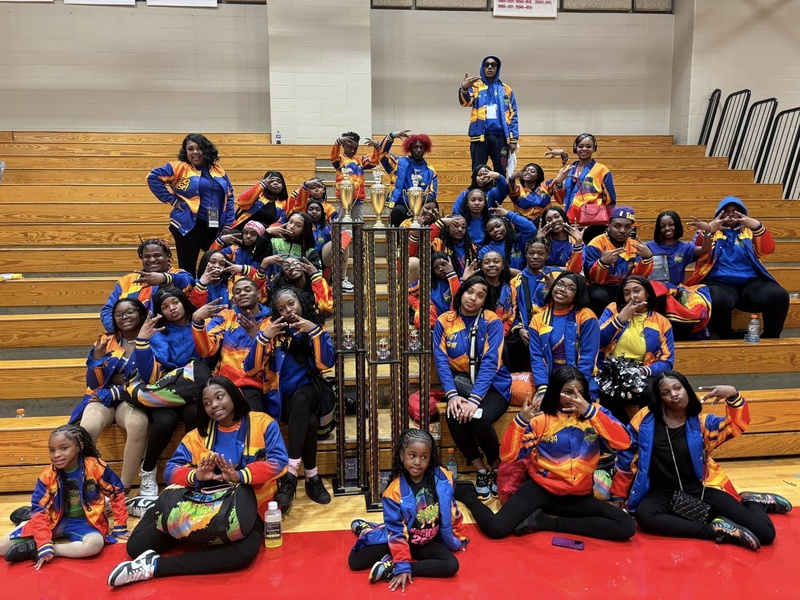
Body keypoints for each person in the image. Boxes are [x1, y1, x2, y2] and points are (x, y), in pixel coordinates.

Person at [107, 376, 288, 586]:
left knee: (243, 554)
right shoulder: (197, 436)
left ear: (235, 395)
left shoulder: (263, 423)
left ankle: (154, 567)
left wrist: (240, 475)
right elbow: (171, 471)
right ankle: (152, 506)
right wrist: (196, 476)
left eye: (220, 397)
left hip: (247, 507)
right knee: (136, 546)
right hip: (201, 504)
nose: (214, 405)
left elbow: (280, 462)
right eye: (207, 402)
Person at [611, 371, 792, 551]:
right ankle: (714, 530)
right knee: (645, 516)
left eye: (677, 388)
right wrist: (619, 493)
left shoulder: (702, 423)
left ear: (686, 389)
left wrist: (733, 396)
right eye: (665, 393)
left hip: (700, 488)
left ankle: (751, 503)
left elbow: (736, 425)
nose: (673, 394)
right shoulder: (645, 419)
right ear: (660, 398)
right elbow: (627, 454)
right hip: (662, 492)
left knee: (766, 535)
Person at [454, 367, 635, 541]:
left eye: (580, 392)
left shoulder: (595, 415)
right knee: (496, 528)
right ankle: (467, 494)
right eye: (568, 392)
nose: (575, 398)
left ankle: (544, 522)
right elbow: (508, 456)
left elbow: (624, 442)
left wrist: (589, 411)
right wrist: (520, 422)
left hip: (579, 495)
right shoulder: (541, 420)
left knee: (626, 526)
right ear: (555, 392)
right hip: (542, 491)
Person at [244, 286, 336, 509]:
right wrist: (263, 337)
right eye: (281, 308)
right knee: (308, 420)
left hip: (312, 392)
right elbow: (251, 369)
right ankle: (312, 477)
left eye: (291, 304)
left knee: (303, 399)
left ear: (301, 302)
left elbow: (326, 363)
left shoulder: (316, 326)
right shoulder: (272, 331)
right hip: (281, 398)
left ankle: (291, 473)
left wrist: (313, 330)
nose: (288, 310)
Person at [348, 429, 467, 591]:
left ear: (430, 458)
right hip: (404, 537)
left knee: (451, 565)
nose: (418, 462)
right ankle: (369, 529)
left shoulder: (443, 477)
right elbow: (396, 531)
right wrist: (402, 563)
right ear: (402, 455)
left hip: (426, 542)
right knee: (355, 561)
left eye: (423, 457)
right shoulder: (393, 492)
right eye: (412, 455)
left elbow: (452, 509)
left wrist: (459, 534)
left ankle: (390, 569)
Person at [1, 424, 129, 567]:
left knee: (94, 544)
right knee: (3, 548)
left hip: (85, 522)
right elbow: (40, 509)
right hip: (55, 520)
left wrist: (120, 525)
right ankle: (27, 522)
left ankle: (42, 549)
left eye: (63, 448)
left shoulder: (96, 467)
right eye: (52, 450)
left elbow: (116, 492)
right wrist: (43, 540)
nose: (56, 454)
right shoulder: (47, 476)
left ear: (79, 446)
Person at [434, 276, 511, 500]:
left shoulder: (492, 320)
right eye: (470, 292)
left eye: (480, 295)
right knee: (453, 414)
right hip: (461, 385)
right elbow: (441, 360)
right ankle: (480, 469)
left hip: (494, 385)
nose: (473, 298)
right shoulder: (444, 321)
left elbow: (490, 361)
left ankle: (496, 465)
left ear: (485, 300)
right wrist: (452, 396)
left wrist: (475, 399)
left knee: (479, 418)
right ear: (462, 292)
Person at [129, 286, 203, 498]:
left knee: (193, 414)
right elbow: (150, 375)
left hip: (195, 389)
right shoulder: (158, 333)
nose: (172, 309)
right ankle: (148, 469)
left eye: (175, 303)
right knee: (165, 421)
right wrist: (142, 341)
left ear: (183, 301)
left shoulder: (201, 325)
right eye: (165, 306)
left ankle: (191, 468)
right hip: (166, 390)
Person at [71, 298, 149, 495]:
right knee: (86, 429)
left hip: (131, 398)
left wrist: (121, 389)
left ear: (140, 313)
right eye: (119, 314)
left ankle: (123, 488)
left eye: (130, 312)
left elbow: (151, 377)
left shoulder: (152, 339)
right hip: (102, 397)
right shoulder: (107, 341)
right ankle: (88, 483)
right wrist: (96, 359)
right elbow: (93, 383)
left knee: (138, 424)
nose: (124, 317)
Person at [685, 196, 790, 339]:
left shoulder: (749, 232)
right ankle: (726, 337)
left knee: (779, 295)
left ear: (742, 214)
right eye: (726, 211)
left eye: (735, 211)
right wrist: (708, 231)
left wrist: (757, 226)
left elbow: (767, 249)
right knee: (717, 299)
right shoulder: (709, 231)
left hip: (750, 284)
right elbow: (695, 253)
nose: (730, 214)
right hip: (719, 282)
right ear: (719, 214)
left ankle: (770, 338)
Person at [147, 134, 235, 277]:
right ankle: (189, 298)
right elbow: (152, 177)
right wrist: (173, 200)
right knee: (187, 269)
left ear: (206, 150)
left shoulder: (218, 169)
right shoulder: (179, 167)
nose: (195, 152)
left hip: (214, 226)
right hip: (188, 226)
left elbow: (229, 197)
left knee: (220, 266)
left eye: (199, 148)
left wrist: (227, 225)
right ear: (185, 152)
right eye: (190, 149)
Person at [597, 276, 674, 424]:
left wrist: (643, 371)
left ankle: (643, 429)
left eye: (637, 291)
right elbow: (597, 341)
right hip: (609, 370)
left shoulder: (662, 322)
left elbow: (667, 362)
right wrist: (620, 319)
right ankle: (625, 432)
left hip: (642, 371)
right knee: (602, 392)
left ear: (648, 293)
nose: (632, 296)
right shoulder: (613, 309)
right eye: (626, 293)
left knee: (654, 390)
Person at [192, 277, 271, 412]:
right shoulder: (225, 316)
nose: (242, 293)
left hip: (255, 384)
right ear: (233, 299)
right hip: (225, 383)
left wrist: (257, 336)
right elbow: (207, 351)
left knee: (253, 422)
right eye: (238, 292)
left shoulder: (270, 320)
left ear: (258, 294)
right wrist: (198, 322)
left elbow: (274, 356)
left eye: (247, 290)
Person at [645, 211, 715, 340]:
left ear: (677, 225)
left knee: (701, 299)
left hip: (676, 291)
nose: (667, 228)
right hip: (655, 293)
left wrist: (707, 232)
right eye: (662, 226)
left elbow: (705, 250)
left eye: (671, 224)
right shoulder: (648, 246)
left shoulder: (685, 248)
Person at [528, 272, 600, 397]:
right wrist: (543, 389)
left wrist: (575, 388)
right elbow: (537, 358)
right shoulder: (538, 319)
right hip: (549, 382)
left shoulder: (585, 316)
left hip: (580, 383)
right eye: (560, 284)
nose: (562, 289)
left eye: (571, 288)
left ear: (578, 295)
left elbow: (588, 357)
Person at [100, 238, 193, 333]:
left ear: (167, 256)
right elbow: (108, 310)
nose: (152, 260)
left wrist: (163, 278)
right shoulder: (127, 280)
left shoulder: (179, 275)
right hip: (133, 337)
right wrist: (120, 331)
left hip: (169, 336)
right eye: (147, 256)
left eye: (157, 255)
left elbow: (188, 282)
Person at [584, 206, 653, 317]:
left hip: (625, 286)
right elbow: (593, 280)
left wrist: (647, 258)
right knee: (599, 296)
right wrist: (603, 263)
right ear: (609, 226)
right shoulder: (596, 243)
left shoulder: (635, 245)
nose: (622, 231)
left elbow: (640, 278)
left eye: (627, 227)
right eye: (617, 226)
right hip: (601, 287)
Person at [549, 134, 616, 242]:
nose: (584, 149)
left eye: (588, 146)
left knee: (592, 255)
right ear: (575, 148)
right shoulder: (569, 169)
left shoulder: (602, 170)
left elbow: (610, 199)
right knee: (575, 255)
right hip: (571, 221)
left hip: (594, 222)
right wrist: (558, 182)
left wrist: (609, 221)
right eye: (580, 146)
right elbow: (560, 199)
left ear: (594, 148)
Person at [459, 56, 518, 173]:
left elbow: (513, 114)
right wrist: (464, 88)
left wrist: (513, 139)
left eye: (493, 65)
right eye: (486, 65)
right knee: (478, 171)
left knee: (500, 172)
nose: (490, 67)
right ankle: (477, 192)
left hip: (501, 137)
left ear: (498, 68)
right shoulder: (475, 87)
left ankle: (499, 192)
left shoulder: (506, 89)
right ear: (482, 67)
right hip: (479, 137)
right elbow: (465, 103)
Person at [389, 134, 438, 228]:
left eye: (421, 147)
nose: (418, 150)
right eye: (415, 147)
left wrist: (416, 200)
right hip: (404, 205)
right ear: (409, 148)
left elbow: (433, 194)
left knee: (434, 207)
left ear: (425, 149)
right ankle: (397, 242)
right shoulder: (399, 163)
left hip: (423, 206)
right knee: (396, 212)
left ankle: (429, 241)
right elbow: (383, 154)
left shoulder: (431, 170)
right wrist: (391, 136)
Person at [305, 198, 353, 293]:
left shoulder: (327, 227)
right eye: (311, 209)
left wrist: (341, 247)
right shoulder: (301, 225)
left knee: (341, 237)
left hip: (322, 260)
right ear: (306, 211)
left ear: (323, 213)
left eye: (318, 210)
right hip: (306, 260)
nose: (314, 212)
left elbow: (347, 234)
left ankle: (342, 280)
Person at [463, 251, 516, 337]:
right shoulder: (474, 287)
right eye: (487, 262)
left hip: (501, 334)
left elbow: (511, 317)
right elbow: (460, 306)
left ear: (503, 266)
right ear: (482, 267)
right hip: (474, 333)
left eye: (496, 261)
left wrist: (499, 334)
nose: (491, 265)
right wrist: (464, 281)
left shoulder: (510, 290)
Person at [330, 131, 381, 222]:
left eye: (355, 148)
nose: (353, 151)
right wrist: (337, 142)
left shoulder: (360, 160)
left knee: (358, 222)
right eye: (350, 148)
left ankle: (357, 236)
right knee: (342, 222)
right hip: (343, 198)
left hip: (358, 198)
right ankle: (343, 236)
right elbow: (333, 156)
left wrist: (377, 147)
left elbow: (374, 161)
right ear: (343, 146)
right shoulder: (340, 159)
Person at [268, 257, 334, 321]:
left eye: (295, 263)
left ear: (305, 266)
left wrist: (315, 275)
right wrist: (264, 263)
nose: (292, 267)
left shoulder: (317, 284)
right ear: (285, 276)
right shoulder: (285, 293)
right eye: (286, 268)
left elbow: (328, 308)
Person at [409, 252, 460, 330]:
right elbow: (409, 293)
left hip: (452, 323)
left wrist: (451, 274)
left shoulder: (456, 281)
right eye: (436, 267)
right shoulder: (426, 282)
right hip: (432, 324)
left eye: (444, 265)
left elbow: (458, 297)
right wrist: (418, 305)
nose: (441, 269)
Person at [477, 206, 537, 271]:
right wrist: (510, 271)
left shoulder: (518, 240)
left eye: (498, 226)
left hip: (521, 280)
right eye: (491, 230)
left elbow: (531, 229)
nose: (495, 230)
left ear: (506, 225)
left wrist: (508, 214)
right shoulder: (486, 250)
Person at [539, 205, 585, 271]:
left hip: (569, 279)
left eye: (557, 216)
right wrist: (538, 241)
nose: (554, 221)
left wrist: (578, 243)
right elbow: (533, 268)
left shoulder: (576, 241)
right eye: (549, 220)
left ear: (564, 217)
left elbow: (575, 271)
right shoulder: (544, 241)